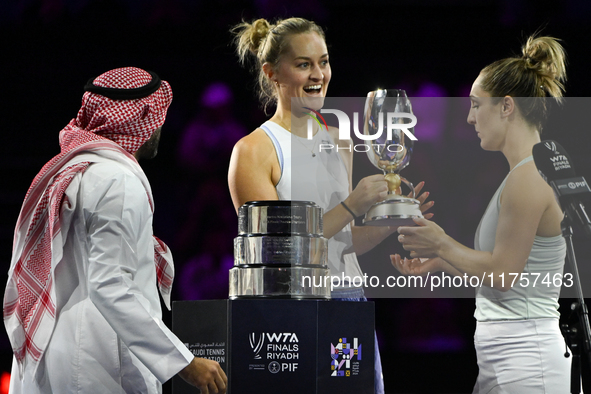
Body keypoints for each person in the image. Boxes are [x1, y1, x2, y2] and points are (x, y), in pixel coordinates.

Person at [228, 18, 433, 394]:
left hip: (348, 300)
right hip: (290, 312)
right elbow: (276, 249)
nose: (318, 74)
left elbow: (344, 242)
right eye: (303, 64)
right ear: (271, 72)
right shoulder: (253, 150)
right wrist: (354, 204)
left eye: (323, 62)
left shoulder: (339, 140)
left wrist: (393, 218)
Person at [3, 67, 227, 394]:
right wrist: (184, 363)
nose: (161, 127)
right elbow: (109, 285)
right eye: (158, 118)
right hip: (97, 366)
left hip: (60, 356)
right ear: (142, 119)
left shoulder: (75, 169)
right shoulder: (117, 182)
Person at [392, 35, 570, 393]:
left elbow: (503, 275)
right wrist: (441, 262)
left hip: (527, 365)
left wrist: (441, 244)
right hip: (505, 361)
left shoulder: (526, 178)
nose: (470, 117)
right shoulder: (519, 174)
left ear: (506, 106)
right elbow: (508, 279)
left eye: (476, 105)